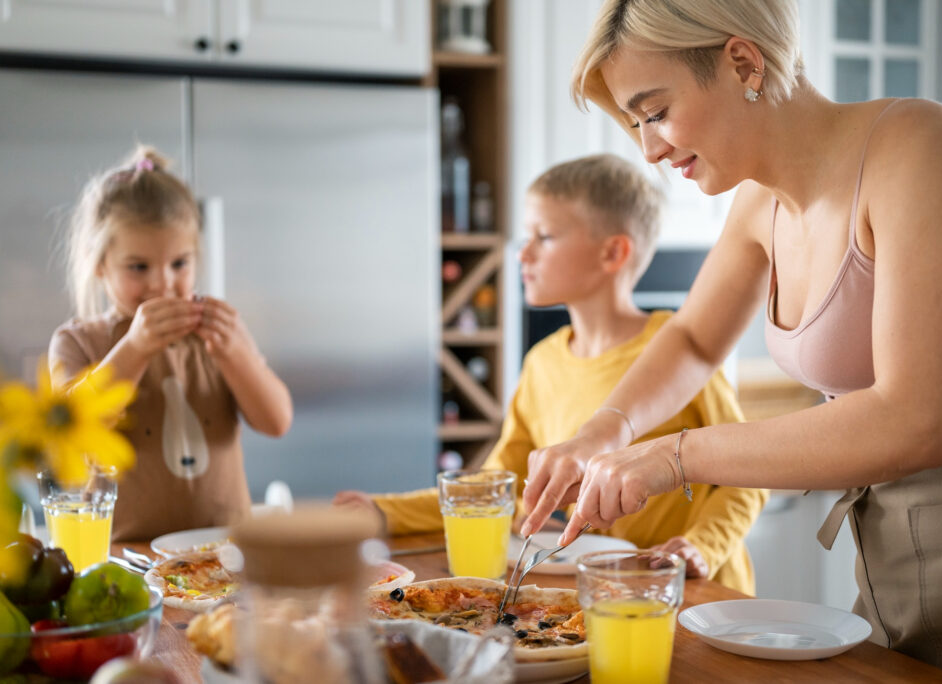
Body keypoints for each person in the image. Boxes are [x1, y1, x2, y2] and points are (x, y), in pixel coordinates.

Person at [518, 2, 942, 682]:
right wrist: (601, 433)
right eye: (637, 123)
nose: (650, 149)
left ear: (743, 63)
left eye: (656, 112)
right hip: (898, 555)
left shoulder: (920, 148)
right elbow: (695, 340)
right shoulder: (761, 201)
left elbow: (918, 420)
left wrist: (674, 455)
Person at [335, 153, 768, 593]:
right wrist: (383, 511)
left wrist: (701, 546)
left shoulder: (676, 353)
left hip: (696, 591)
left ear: (613, 252)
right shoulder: (542, 362)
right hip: (607, 593)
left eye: (543, 237)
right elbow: (496, 490)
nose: (523, 253)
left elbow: (745, 482)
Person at [49, 145, 293, 541]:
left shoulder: (217, 334)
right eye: (138, 267)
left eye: (179, 263)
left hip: (224, 552)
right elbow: (70, 436)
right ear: (100, 264)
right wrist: (136, 348)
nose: (162, 283)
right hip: (127, 557)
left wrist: (235, 355)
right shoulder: (78, 341)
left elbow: (277, 421)